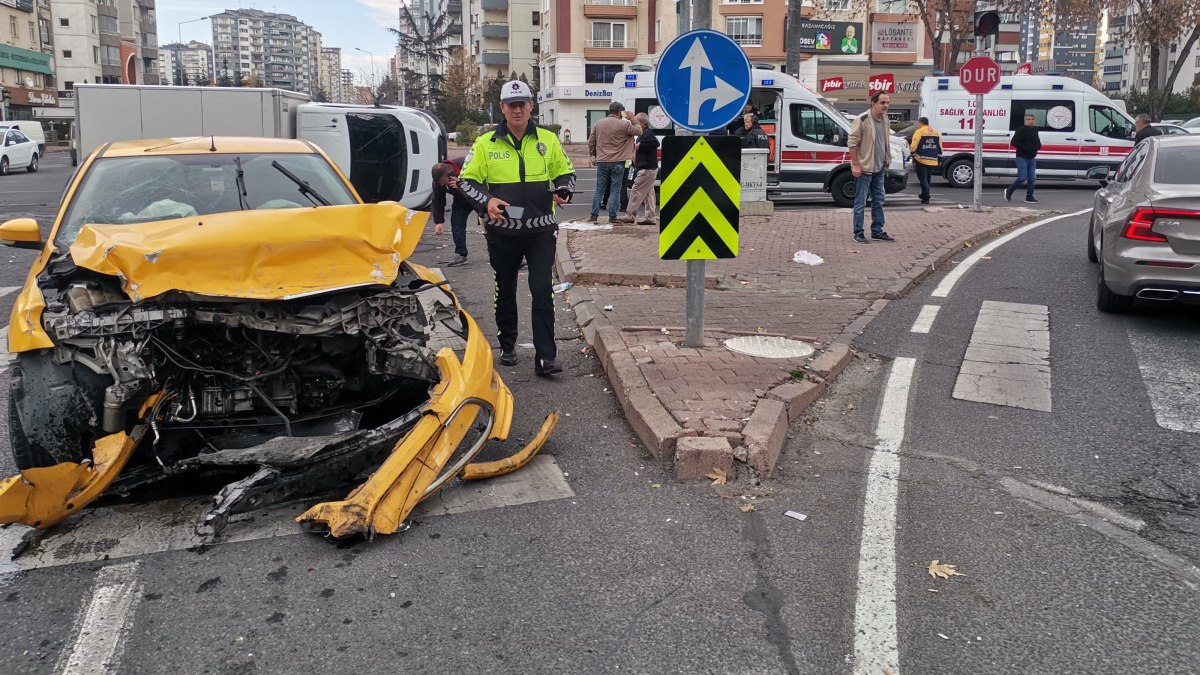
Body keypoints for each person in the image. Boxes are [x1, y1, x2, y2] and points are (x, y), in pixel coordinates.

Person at [459, 80, 576, 377]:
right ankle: (507, 344)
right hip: (503, 232)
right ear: (502, 108)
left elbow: (566, 172)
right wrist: (486, 202)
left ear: (531, 106)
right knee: (506, 289)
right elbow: (466, 182)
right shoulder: (486, 143)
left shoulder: (547, 139)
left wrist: (563, 188)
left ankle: (546, 357)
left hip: (541, 231)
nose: (518, 109)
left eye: (522, 103)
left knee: (541, 289)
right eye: (512, 104)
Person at [848, 91, 894, 244]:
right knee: (861, 201)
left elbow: (885, 141)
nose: (886, 106)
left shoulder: (886, 119)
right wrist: (855, 164)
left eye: (887, 102)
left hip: (879, 166)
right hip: (865, 168)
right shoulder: (863, 120)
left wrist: (887, 159)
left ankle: (877, 231)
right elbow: (852, 144)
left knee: (879, 200)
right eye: (882, 102)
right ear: (873, 103)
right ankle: (858, 232)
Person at [588, 102, 641, 224]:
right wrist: (633, 119)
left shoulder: (598, 123)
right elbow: (639, 131)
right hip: (618, 161)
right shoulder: (624, 124)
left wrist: (592, 156)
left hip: (602, 161)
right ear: (619, 112)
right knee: (615, 190)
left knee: (599, 190)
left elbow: (591, 141)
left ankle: (593, 215)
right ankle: (612, 217)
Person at [430, 158, 474, 266]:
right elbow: (438, 200)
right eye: (439, 183)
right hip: (461, 202)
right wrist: (439, 221)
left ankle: (504, 254)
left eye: (444, 182)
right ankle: (461, 254)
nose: (441, 185)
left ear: (451, 174)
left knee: (492, 225)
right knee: (457, 224)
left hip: (479, 198)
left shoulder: (466, 164)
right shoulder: (438, 182)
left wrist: (463, 185)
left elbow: (484, 179)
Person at [623, 112, 659, 225]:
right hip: (648, 168)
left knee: (636, 190)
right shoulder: (643, 134)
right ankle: (651, 217)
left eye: (636, 122)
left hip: (647, 168)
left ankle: (630, 215)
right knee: (649, 194)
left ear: (642, 123)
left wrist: (640, 146)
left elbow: (655, 143)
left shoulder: (648, 133)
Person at [1005, 114, 1041, 204]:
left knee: (1032, 178)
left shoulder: (1035, 130)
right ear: (1025, 120)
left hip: (1032, 158)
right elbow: (1013, 142)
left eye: (1032, 119)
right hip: (1022, 157)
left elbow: (1037, 140)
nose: (1030, 121)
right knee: (1022, 177)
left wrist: (1038, 146)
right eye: (1028, 119)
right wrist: (1026, 148)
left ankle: (1029, 197)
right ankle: (1009, 191)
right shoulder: (1021, 130)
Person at [908, 117, 942, 205]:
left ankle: (926, 197)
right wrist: (939, 158)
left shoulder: (919, 132)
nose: (917, 125)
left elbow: (914, 145)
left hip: (921, 158)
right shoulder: (935, 131)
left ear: (921, 123)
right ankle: (924, 195)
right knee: (928, 179)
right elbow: (940, 145)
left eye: (918, 123)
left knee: (922, 179)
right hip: (932, 159)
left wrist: (912, 153)